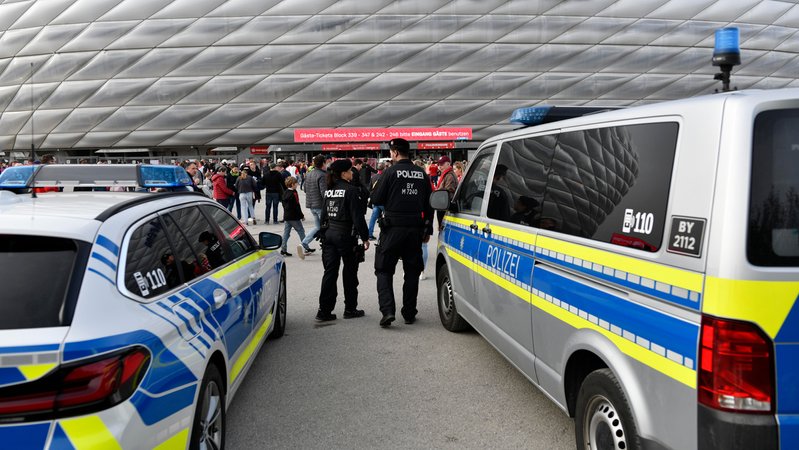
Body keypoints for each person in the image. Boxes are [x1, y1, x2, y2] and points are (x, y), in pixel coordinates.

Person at [370, 138, 434, 327]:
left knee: (384, 270)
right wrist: (428, 228)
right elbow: (430, 204)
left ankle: (388, 311)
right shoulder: (421, 174)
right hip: (415, 229)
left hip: (392, 228)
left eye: (391, 152)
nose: (390, 154)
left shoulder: (390, 172)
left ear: (396, 152)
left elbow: (376, 198)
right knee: (412, 271)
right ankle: (409, 312)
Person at [315, 159, 370, 322]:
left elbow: (323, 215)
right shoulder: (351, 190)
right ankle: (350, 308)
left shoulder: (329, 190)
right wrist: (365, 237)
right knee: (350, 273)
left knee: (330, 272)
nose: (352, 173)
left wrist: (323, 233)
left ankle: (324, 311)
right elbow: (357, 217)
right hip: (346, 235)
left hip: (329, 235)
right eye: (350, 171)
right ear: (344, 173)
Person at [280, 176, 314, 258]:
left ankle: (283, 249)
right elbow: (297, 206)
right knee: (301, 231)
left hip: (287, 216)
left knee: (286, 233)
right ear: (292, 184)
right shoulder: (294, 193)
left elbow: (284, 204)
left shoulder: (285, 192)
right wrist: (301, 216)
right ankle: (306, 247)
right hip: (294, 217)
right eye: (296, 183)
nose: (297, 184)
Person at [301, 155, 326, 251]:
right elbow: (324, 193)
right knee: (325, 226)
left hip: (311, 204)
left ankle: (304, 243)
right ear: (323, 163)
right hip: (320, 204)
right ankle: (325, 245)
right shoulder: (322, 175)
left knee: (318, 227)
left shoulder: (309, 174)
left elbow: (305, 189)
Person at [435, 155, 458, 230]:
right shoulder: (446, 174)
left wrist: (437, 195)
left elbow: (447, 192)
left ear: (448, 164)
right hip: (444, 205)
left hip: (445, 206)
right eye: (439, 164)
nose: (440, 166)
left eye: (442, 164)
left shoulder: (449, 175)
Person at [367, 162, 386, 240]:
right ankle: (385, 236)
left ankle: (370, 234)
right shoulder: (385, 177)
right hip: (384, 201)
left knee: (373, 218)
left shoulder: (373, 177)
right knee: (387, 218)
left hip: (375, 201)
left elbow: (369, 189)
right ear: (384, 168)